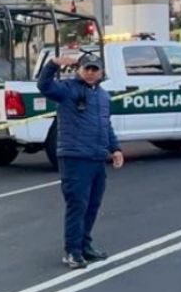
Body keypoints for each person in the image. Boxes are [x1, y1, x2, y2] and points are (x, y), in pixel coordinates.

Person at [37, 52, 125, 269]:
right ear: (79, 69)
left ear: (101, 72)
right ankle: (72, 251)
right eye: (87, 68)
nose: (91, 72)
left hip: (97, 158)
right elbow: (44, 86)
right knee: (78, 205)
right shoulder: (67, 90)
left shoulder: (103, 96)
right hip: (75, 158)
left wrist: (115, 149)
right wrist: (52, 65)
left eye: (95, 69)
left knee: (92, 206)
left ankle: (85, 245)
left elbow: (106, 125)